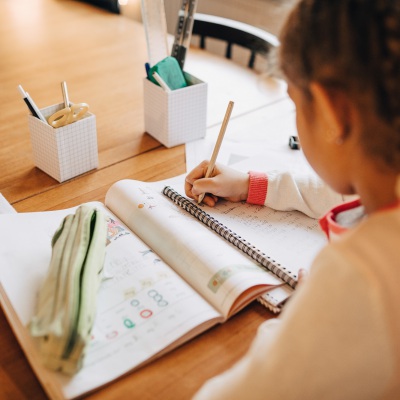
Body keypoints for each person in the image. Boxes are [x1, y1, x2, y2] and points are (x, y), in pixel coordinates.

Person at [186, 1, 400, 399]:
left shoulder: (359, 277)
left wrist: (310, 309)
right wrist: (250, 184)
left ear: (333, 111)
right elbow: (342, 194)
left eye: (296, 104)